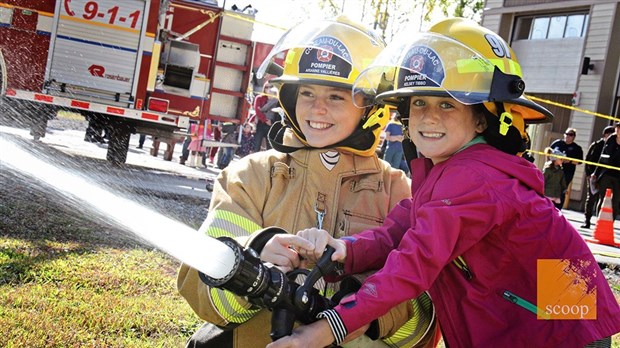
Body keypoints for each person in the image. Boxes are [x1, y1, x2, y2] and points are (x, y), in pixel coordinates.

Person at [270, 18, 620, 348]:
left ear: (482, 121)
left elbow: (411, 266)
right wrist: (344, 250)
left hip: (561, 333)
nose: (429, 116)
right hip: (558, 320)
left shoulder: (473, 177)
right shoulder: (451, 173)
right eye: (419, 102)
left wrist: (325, 330)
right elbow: (399, 231)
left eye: (448, 105)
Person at [177, 16, 437, 348]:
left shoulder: (398, 191)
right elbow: (201, 295)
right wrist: (250, 257)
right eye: (307, 92)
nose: (317, 108)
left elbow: (423, 319)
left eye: (336, 97)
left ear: (371, 109)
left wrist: (366, 313)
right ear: (288, 98)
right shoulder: (249, 176)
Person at [581, 125, 615, 228]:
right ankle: (587, 220)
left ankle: (599, 221)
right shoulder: (596, 145)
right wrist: (588, 174)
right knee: (591, 198)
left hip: (605, 176)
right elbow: (588, 160)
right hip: (593, 175)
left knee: (603, 199)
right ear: (605, 134)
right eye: (610, 134)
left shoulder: (613, 147)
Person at [592, 123, 620, 220]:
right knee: (603, 198)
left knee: (615, 201)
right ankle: (599, 220)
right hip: (606, 173)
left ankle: (610, 223)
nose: (618, 130)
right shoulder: (611, 139)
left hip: (618, 176)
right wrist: (595, 173)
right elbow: (602, 157)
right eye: (617, 128)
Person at [550, 127, 584, 207]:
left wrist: (569, 161)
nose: (568, 136)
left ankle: (558, 209)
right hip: (553, 170)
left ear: (574, 137)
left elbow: (580, 161)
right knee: (550, 188)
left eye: (570, 134)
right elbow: (548, 152)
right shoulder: (557, 143)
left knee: (561, 191)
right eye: (566, 134)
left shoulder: (577, 148)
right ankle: (548, 207)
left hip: (567, 172)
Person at [253, 80, 276, 152]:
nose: (269, 89)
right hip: (261, 123)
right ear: (264, 88)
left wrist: (271, 122)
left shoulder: (276, 99)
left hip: (271, 124)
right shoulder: (259, 98)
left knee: (270, 147)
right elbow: (257, 111)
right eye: (266, 87)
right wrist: (265, 120)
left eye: (271, 87)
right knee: (256, 145)